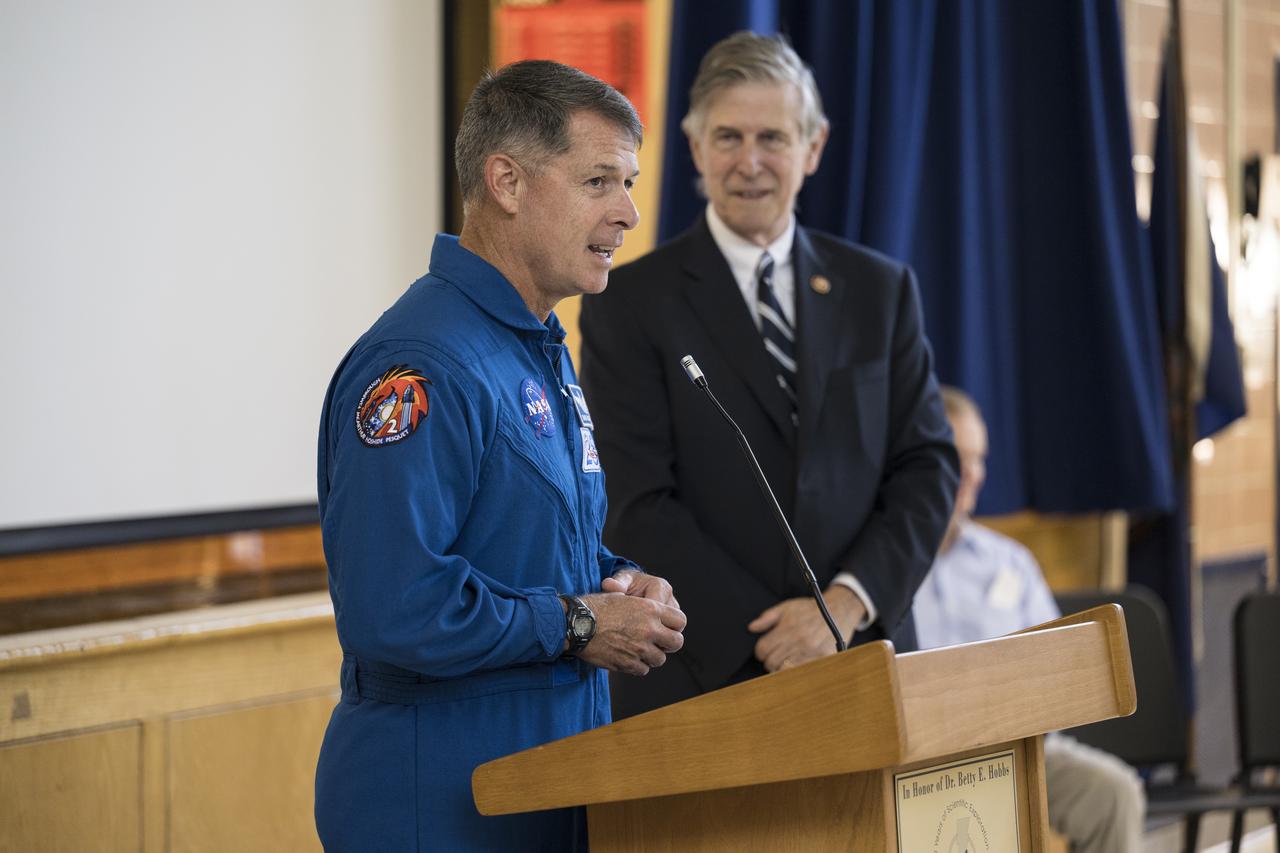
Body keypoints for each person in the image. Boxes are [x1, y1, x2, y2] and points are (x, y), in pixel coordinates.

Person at [313, 60, 687, 852]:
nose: (627, 212)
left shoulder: (535, 345)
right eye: (598, 182)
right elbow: (396, 604)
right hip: (442, 800)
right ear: (507, 181)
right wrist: (582, 621)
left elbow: (532, 544)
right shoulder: (422, 363)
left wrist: (617, 580)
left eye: (629, 182)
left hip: (549, 782)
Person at [578, 31, 957, 718]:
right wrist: (775, 637)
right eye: (727, 137)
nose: (749, 162)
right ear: (695, 148)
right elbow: (637, 500)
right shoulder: (628, 303)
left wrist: (841, 607)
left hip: (860, 660)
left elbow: (927, 466)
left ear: (812, 149)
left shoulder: (881, 290)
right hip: (701, 680)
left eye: (772, 138)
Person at [914, 386, 1145, 853]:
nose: (971, 475)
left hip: (1023, 751)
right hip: (920, 762)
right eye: (958, 457)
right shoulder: (887, 568)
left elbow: (1062, 674)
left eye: (979, 459)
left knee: (1115, 794)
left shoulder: (1011, 563)